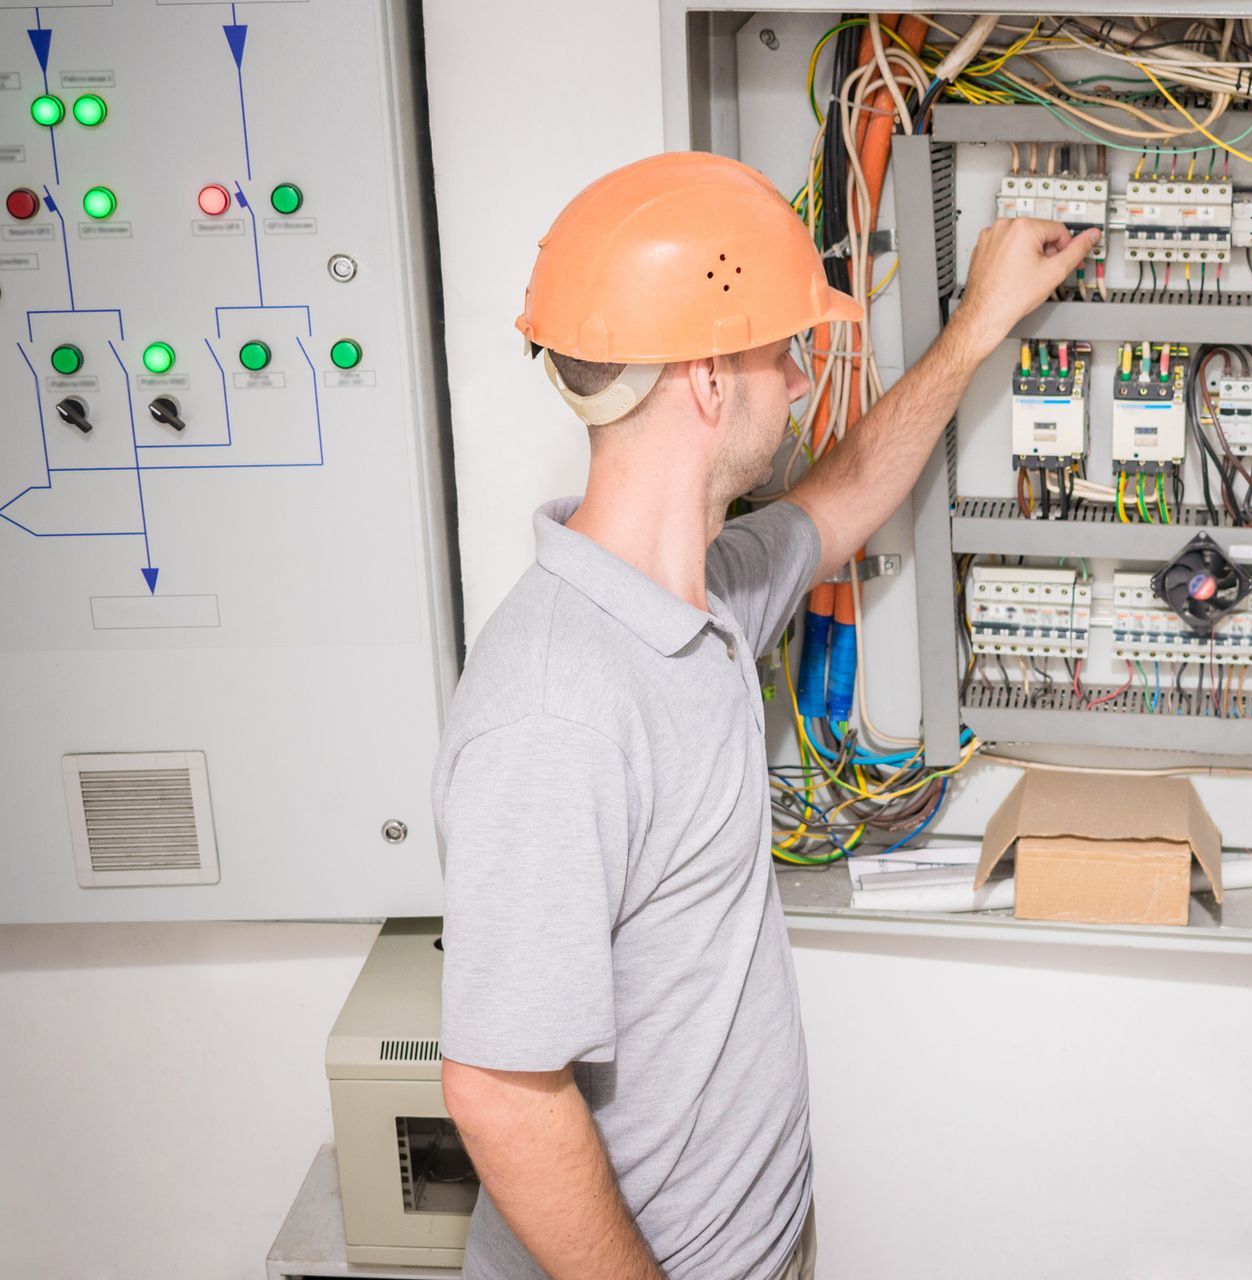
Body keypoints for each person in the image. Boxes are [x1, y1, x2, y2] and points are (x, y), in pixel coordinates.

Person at [431, 151, 1097, 1280]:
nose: (798, 384)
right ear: (703, 379)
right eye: (782, 354)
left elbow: (840, 498)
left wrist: (975, 331)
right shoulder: (556, 707)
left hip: (751, 1239)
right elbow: (500, 1091)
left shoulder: (707, 593)